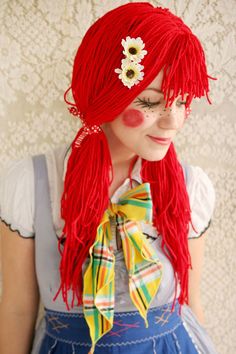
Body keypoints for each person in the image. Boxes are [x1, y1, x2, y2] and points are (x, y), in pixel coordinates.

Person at [0, 2, 218, 353]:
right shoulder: (33, 183)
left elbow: (191, 304)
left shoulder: (190, 188)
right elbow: (17, 309)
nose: (173, 122)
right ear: (105, 94)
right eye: (150, 102)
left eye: (182, 101)